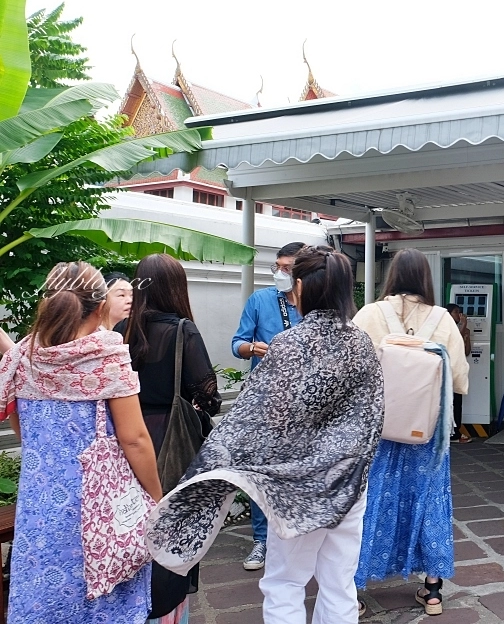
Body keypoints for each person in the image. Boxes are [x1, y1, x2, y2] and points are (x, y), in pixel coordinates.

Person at [145, 245, 384, 624]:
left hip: (294, 489)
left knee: (285, 583)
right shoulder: (361, 344)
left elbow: (257, 419)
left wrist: (213, 468)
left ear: (301, 287)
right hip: (349, 484)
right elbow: (373, 417)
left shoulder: (289, 345)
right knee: (339, 584)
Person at [0, 262, 162, 623]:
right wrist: (155, 496)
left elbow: (23, 430)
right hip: (99, 505)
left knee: (42, 593)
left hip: (40, 506)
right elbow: (134, 439)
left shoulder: (22, 357)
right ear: (101, 304)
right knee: (105, 594)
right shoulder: (106, 356)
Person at [353, 249, 469, 617]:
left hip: (380, 429)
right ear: (425, 279)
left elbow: (353, 367)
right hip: (427, 432)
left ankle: (352, 589)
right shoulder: (442, 319)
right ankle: (432, 591)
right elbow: (459, 377)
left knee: (371, 502)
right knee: (430, 501)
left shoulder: (370, 314)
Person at [119, 253, 222, 623]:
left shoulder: (121, 330)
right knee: (169, 526)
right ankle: (166, 609)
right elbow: (209, 393)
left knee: (128, 523)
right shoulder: (182, 330)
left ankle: (128, 602)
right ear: (177, 288)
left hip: (123, 439)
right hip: (170, 440)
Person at [230, 241, 305, 570]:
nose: (279, 273)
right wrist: (251, 349)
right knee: (260, 473)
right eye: (277, 267)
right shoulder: (260, 300)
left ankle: (300, 537)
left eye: (287, 268)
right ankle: (262, 541)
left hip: (306, 405)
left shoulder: (315, 305)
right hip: (266, 401)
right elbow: (237, 343)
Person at [445, 303, 473, 444]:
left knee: (457, 402)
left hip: (457, 370)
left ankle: (455, 432)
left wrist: (467, 335)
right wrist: (462, 328)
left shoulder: (464, 330)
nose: (460, 315)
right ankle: (451, 434)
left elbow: (466, 351)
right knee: (449, 402)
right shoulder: (446, 329)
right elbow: (454, 343)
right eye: (456, 312)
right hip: (447, 371)